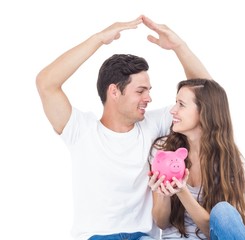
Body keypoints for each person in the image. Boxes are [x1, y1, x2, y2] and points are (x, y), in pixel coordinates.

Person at [35, 15, 211, 240]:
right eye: (140, 91)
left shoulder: (152, 125)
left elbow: (208, 97)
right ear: (114, 91)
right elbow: (46, 83)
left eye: (148, 90)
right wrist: (98, 39)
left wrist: (179, 47)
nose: (149, 98)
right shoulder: (80, 129)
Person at [148, 79, 245, 240]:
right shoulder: (163, 149)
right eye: (175, 103)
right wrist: (163, 193)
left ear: (204, 112)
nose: (173, 110)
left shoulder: (227, 159)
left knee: (223, 211)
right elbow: (161, 223)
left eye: (181, 105)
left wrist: (182, 192)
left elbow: (220, 228)